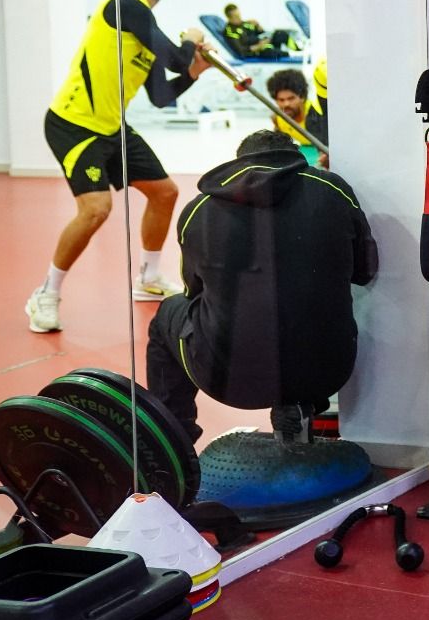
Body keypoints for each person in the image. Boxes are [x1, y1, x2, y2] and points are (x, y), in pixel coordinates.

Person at [145, 129, 377, 442]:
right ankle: (294, 403)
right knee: (302, 300)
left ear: (238, 162)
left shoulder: (198, 210)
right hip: (327, 370)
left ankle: (174, 443)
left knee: (167, 315)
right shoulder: (334, 190)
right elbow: (365, 271)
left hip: (228, 379)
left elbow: (194, 292)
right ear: (295, 158)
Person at [29, 0, 211, 333]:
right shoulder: (125, 6)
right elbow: (176, 56)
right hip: (74, 124)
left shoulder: (143, 31)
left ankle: (147, 278)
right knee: (96, 208)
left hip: (112, 127)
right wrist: (193, 39)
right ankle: (45, 293)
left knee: (164, 192)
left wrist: (193, 73)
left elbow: (162, 97)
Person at [266, 67, 329, 164]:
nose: (286, 104)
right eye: (281, 100)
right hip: (307, 151)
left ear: (302, 97)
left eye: (291, 98)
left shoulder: (318, 114)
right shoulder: (278, 119)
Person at [221, 3, 295, 60]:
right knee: (270, 52)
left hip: (264, 44)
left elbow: (261, 33)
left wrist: (258, 26)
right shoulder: (230, 32)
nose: (240, 18)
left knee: (280, 34)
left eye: (239, 15)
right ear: (229, 18)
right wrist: (259, 46)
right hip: (256, 52)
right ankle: (290, 55)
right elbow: (241, 51)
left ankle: (297, 50)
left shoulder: (244, 24)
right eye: (236, 16)